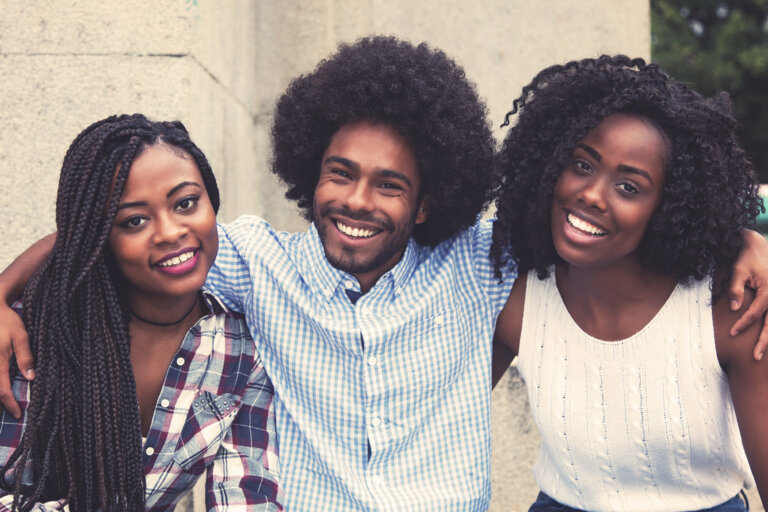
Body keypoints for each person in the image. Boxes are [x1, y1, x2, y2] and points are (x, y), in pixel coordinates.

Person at [1, 39, 768, 511]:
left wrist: (745, 233)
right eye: (340, 174)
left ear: (429, 198)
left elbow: (598, 213)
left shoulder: (483, 260)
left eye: (389, 185)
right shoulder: (257, 263)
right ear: (309, 173)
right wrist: (4, 293)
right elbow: (125, 230)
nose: (356, 202)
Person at [490, 56, 767, 511]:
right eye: (581, 164)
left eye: (629, 187)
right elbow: (432, 423)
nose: (592, 195)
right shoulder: (516, 297)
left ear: (671, 205)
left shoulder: (731, 306)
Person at [0, 115, 282, 511]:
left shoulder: (241, 354)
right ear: (102, 238)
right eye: (135, 221)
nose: (169, 232)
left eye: (186, 203)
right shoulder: (38, 331)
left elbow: (247, 493)